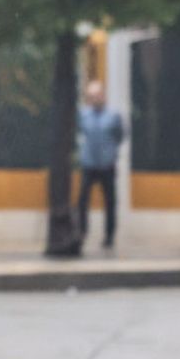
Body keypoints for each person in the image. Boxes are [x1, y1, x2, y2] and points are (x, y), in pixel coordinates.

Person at [76, 80, 124, 251]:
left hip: (107, 165)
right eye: (91, 96)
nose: (94, 99)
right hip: (89, 164)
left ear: (103, 96)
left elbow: (120, 136)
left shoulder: (113, 116)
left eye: (97, 95)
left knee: (110, 202)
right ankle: (81, 232)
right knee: (82, 201)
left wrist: (111, 154)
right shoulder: (83, 115)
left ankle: (109, 236)